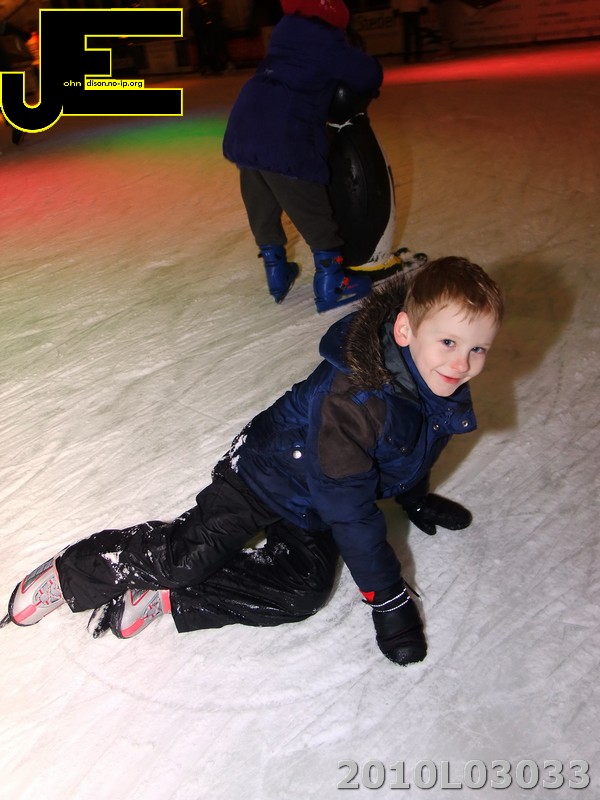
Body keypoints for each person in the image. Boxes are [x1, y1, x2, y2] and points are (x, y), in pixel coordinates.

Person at [6, 257, 504, 667]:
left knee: (302, 592)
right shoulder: (352, 401)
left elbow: (411, 447)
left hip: (313, 500)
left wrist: (414, 498)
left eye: (477, 348)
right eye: (448, 342)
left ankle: (171, 595)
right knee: (187, 556)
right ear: (404, 330)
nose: (462, 363)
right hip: (264, 474)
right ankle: (71, 572)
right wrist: (389, 600)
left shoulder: (437, 381)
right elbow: (350, 511)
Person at [222, 0, 383, 313]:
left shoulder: (284, 36)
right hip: (283, 134)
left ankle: (276, 271)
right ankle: (332, 282)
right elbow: (368, 74)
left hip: (244, 124)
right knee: (310, 206)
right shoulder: (327, 43)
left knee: (261, 202)